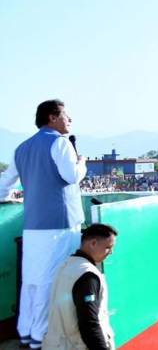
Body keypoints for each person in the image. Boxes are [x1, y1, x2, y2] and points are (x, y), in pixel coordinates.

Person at [0, 100, 86, 349]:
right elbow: (71, 176)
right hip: (60, 225)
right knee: (53, 280)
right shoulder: (60, 143)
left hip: (33, 225)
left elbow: (4, 185)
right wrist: (81, 163)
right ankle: (41, 337)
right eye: (66, 115)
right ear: (52, 117)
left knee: (31, 281)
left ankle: (27, 333)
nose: (70, 120)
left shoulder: (22, 148)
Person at [42, 223, 117, 350]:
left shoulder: (65, 265)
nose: (111, 252)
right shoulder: (87, 276)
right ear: (93, 243)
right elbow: (89, 324)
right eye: (108, 247)